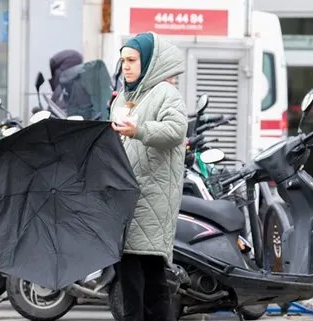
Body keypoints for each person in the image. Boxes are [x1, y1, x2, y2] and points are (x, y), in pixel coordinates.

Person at [110, 32, 187, 321]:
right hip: (125, 195)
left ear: (150, 62)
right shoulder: (123, 98)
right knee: (132, 273)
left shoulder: (166, 94)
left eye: (132, 60)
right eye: (123, 61)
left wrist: (138, 130)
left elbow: (176, 132)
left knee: (149, 275)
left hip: (151, 196)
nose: (126, 66)